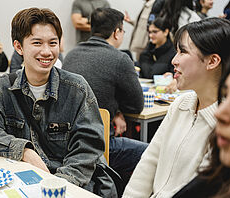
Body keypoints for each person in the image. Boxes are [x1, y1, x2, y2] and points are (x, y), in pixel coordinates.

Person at [0, 7, 118, 197]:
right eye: (37, 43)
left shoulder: (76, 88)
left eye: (53, 43)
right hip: (25, 182)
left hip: (72, 185)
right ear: (18, 47)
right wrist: (24, 150)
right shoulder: (4, 87)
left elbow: (88, 148)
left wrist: (55, 184)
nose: (47, 51)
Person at [123, 17, 230, 198]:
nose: (174, 60)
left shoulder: (223, 125)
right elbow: (150, 162)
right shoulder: (182, 103)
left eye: (183, 52)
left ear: (212, 61)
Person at [63, 7, 147, 190]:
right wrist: (117, 110)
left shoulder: (71, 54)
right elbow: (136, 105)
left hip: (66, 144)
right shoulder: (120, 58)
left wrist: (114, 110)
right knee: (152, 153)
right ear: (116, 33)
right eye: (123, 31)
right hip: (101, 145)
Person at [172, 55, 230, 197]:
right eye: (226, 95)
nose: (219, 113)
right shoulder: (215, 178)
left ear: (213, 61)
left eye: (183, 51)